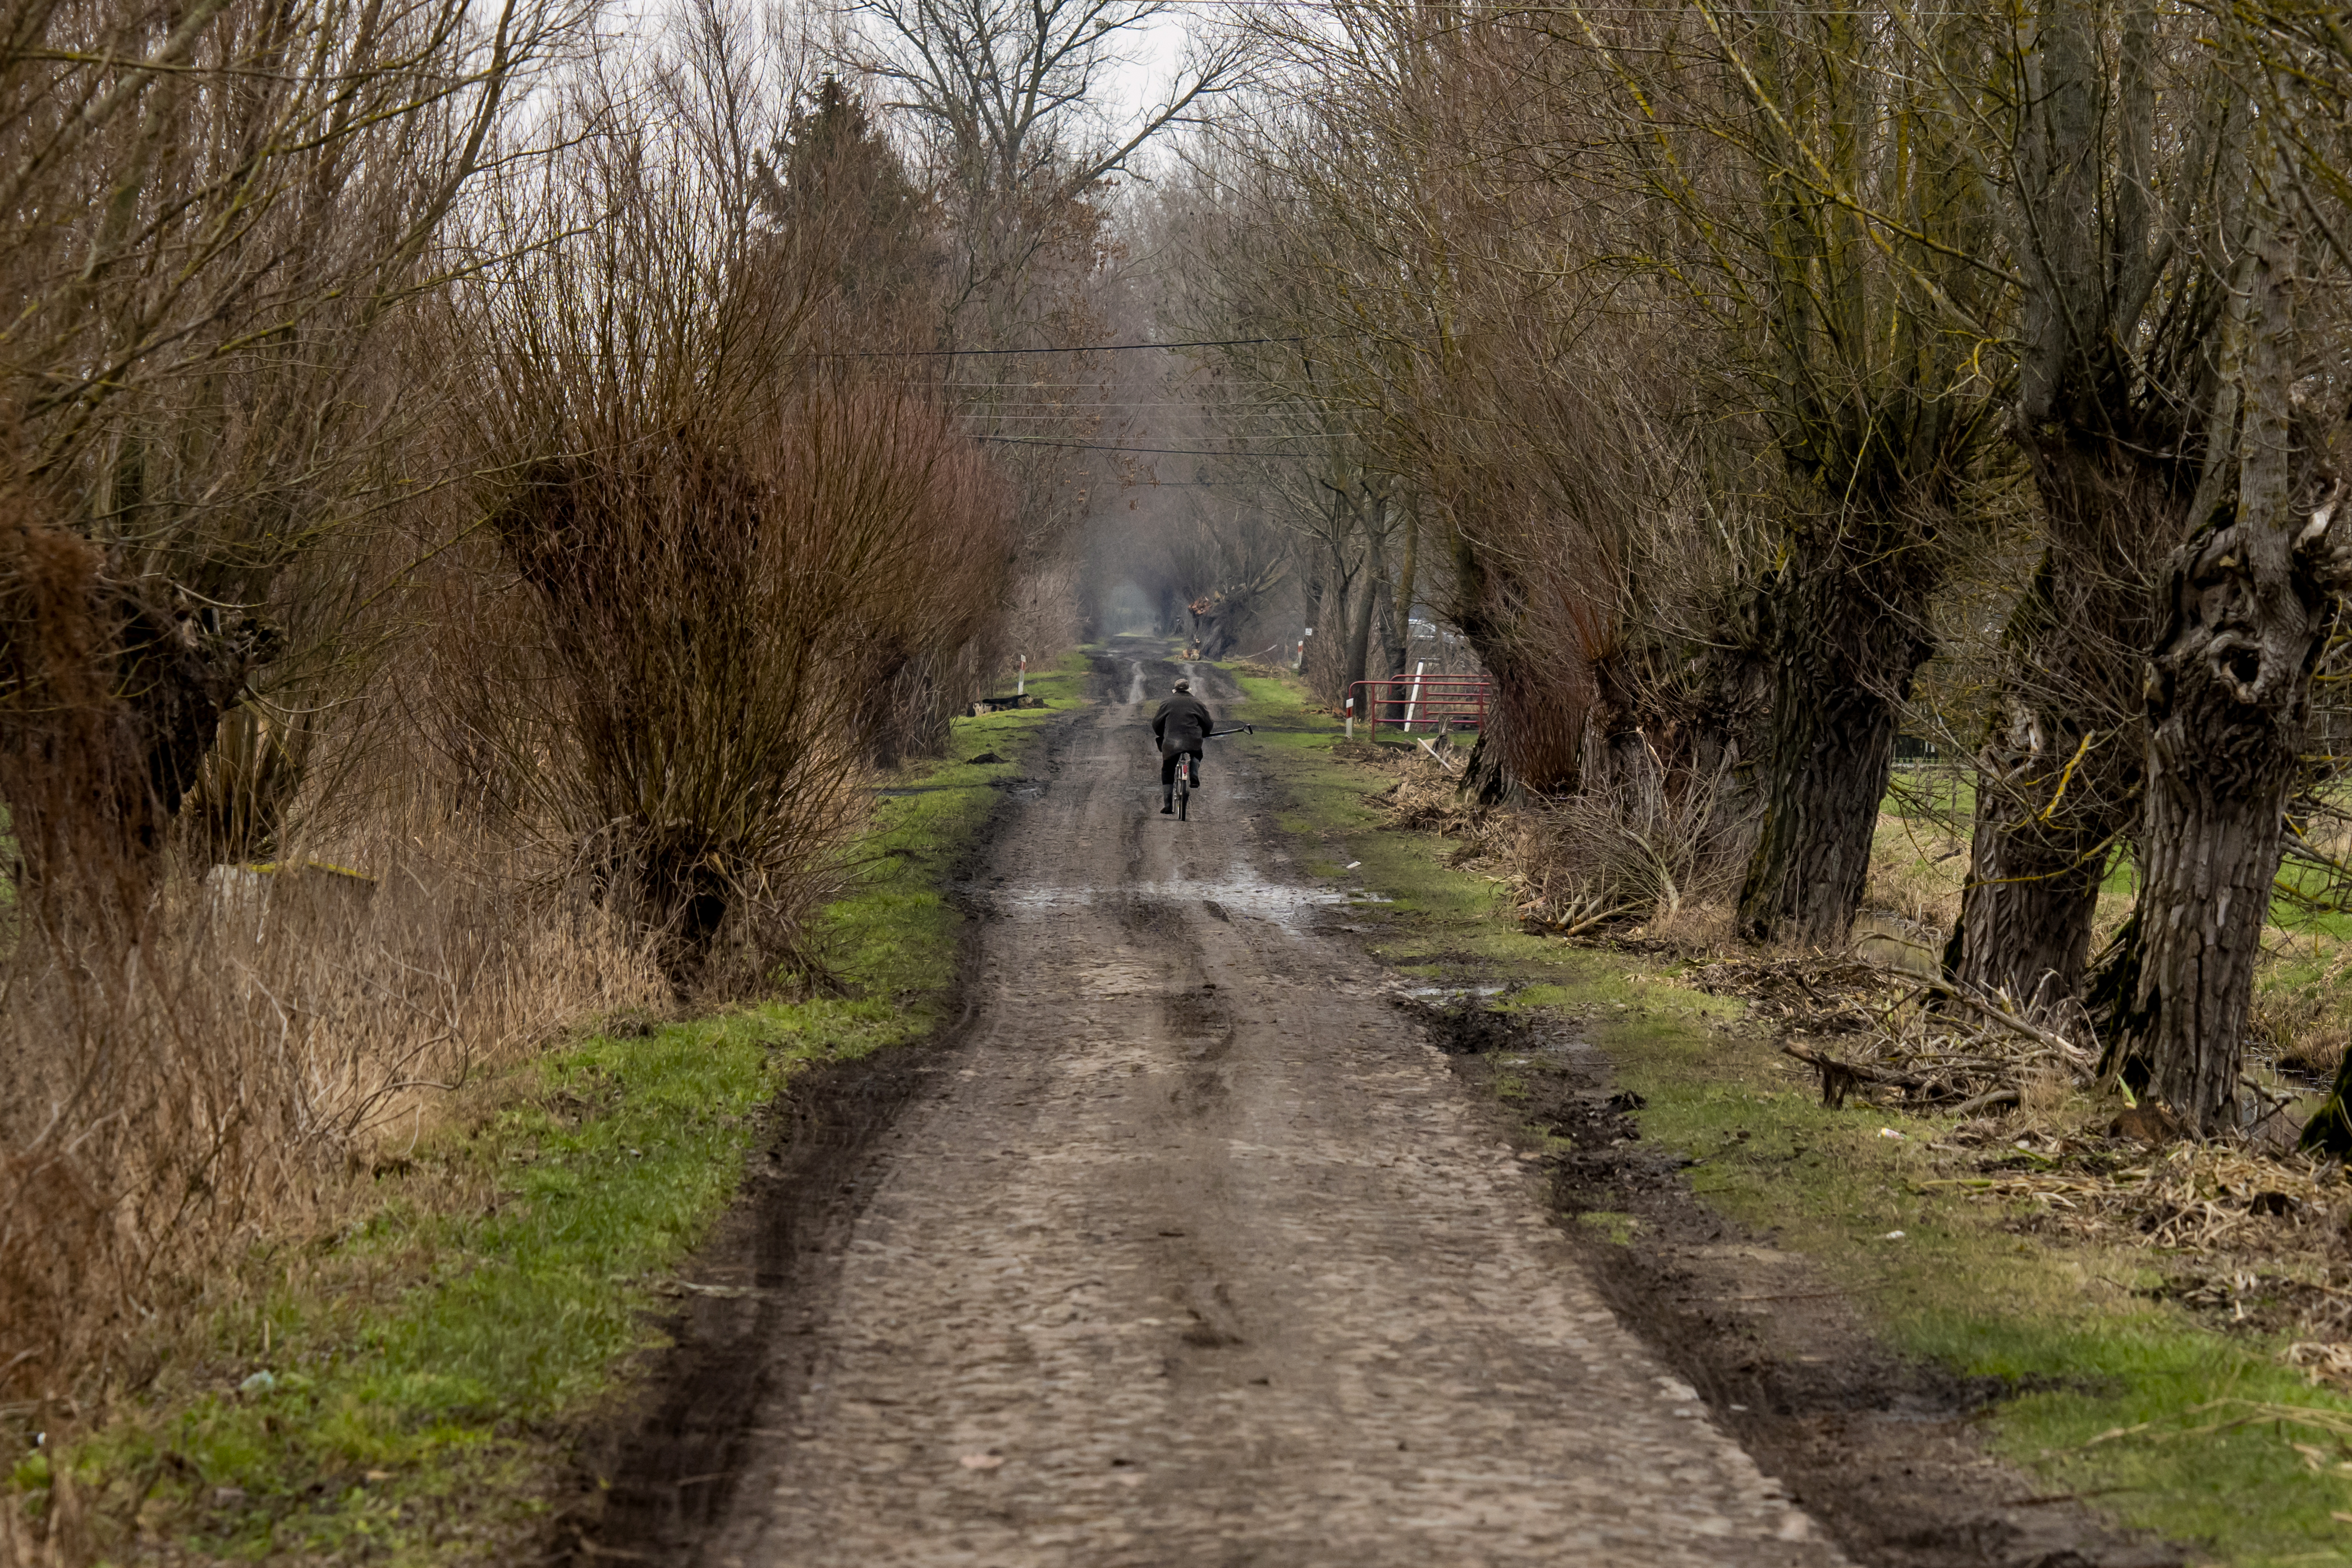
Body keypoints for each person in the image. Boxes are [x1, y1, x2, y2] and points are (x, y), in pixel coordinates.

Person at [1151, 678, 1215, 814]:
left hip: (1172, 742)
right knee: (1197, 753)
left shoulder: (1167, 703)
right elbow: (1208, 723)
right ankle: (1193, 772)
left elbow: (1156, 724)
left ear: (1175, 689)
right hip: (1193, 740)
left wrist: (1162, 734)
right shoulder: (1198, 703)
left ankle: (1168, 805)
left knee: (1168, 769)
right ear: (1188, 690)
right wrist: (1204, 733)